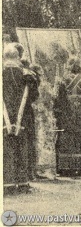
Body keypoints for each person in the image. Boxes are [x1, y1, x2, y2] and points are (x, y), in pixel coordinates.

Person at [3, 44, 40, 193]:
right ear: (18, 57)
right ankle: (23, 182)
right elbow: (34, 96)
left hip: (2, 116)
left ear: (4, 57)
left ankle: (7, 184)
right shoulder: (28, 75)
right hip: (23, 115)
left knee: (6, 148)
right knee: (23, 147)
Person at [53, 58, 81, 174]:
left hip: (68, 115)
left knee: (68, 139)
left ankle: (67, 167)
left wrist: (57, 113)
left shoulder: (63, 81)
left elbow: (59, 99)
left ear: (68, 67)